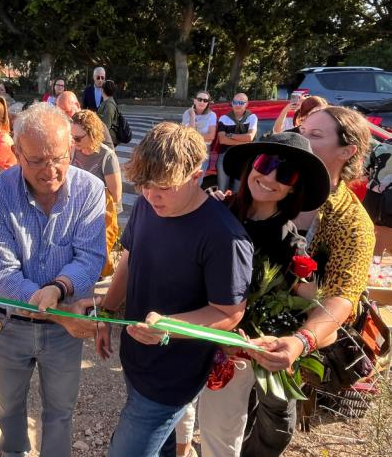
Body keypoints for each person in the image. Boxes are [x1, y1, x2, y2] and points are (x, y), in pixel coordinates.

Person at [96, 122, 253, 456]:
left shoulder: (224, 236)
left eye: (164, 187)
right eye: (144, 184)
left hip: (172, 375)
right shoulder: (145, 206)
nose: (151, 195)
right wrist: (106, 312)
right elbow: (130, 257)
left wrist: (170, 325)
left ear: (197, 175)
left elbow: (230, 313)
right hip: (136, 357)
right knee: (165, 447)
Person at [188, 132, 330, 457]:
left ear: (294, 187)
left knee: (221, 431)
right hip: (189, 330)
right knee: (179, 412)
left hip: (237, 352)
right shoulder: (216, 207)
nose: (268, 178)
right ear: (251, 164)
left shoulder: (291, 245)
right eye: (265, 164)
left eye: (285, 174)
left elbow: (304, 305)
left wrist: (305, 275)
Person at [0, 102, 106, 457]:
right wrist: (56, 308)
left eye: (60, 157)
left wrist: (58, 288)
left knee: (61, 412)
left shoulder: (90, 190)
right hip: (8, 324)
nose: (51, 171)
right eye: (37, 161)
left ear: (72, 149)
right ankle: (14, 451)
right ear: (17, 152)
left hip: (64, 330)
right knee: (10, 406)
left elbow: (92, 257)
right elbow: (3, 274)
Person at [246, 106, 375, 456]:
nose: (303, 137)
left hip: (291, 339)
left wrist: (300, 341)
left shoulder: (352, 221)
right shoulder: (272, 181)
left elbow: (342, 298)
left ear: (346, 152)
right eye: (302, 128)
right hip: (236, 325)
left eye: (316, 135)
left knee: (275, 419)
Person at [70, 110, 122, 276]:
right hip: (77, 212)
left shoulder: (106, 156)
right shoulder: (73, 151)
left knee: (97, 262)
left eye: (78, 138)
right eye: (72, 137)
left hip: (99, 216)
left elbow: (116, 195)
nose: (74, 141)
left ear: (92, 133)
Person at [216, 93, 258, 191]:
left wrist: (230, 135)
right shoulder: (224, 118)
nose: (237, 105)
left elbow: (249, 137)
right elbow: (222, 140)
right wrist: (242, 142)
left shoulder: (252, 117)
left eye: (241, 102)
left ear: (246, 104)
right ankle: (222, 206)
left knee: (238, 190)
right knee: (222, 189)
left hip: (243, 157)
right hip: (225, 156)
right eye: (235, 102)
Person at [363, 139, 392, 252]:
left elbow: (366, 168)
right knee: (386, 234)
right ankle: (377, 260)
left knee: (365, 226)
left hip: (373, 196)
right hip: (389, 199)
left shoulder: (380, 147)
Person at [182, 90, 217, 182]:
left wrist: (193, 136)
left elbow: (211, 136)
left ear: (208, 103)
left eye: (205, 100)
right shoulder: (187, 113)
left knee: (197, 181)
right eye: (199, 99)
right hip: (187, 149)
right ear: (194, 100)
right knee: (184, 180)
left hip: (203, 150)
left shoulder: (212, 115)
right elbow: (187, 133)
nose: (202, 102)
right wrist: (193, 116)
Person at [97, 80, 120, 146]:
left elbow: (106, 126)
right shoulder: (106, 102)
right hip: (105, 138)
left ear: (102, 90)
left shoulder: (109, 105)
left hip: (108, 139)